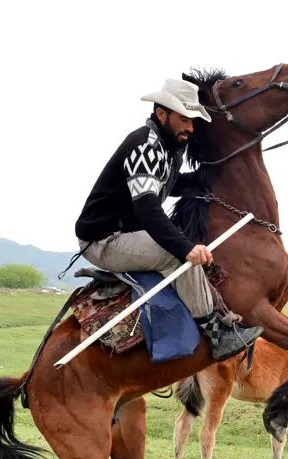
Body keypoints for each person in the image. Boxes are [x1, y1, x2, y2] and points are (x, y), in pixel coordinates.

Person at [73, 78, 263, 362]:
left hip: (126, 233)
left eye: (193, 120)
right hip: (103, 239)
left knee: (182, 246)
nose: (190, 127)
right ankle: (216, 334)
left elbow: (167, 185)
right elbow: (147, 208)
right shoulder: (145, 145)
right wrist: (185, 248)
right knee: (177, 256)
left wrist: (212, 180)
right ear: (162, 113)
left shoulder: (170, 147)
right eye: (184, 119)